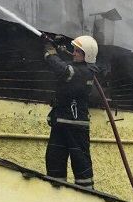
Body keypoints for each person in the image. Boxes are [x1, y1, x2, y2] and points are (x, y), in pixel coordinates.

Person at [42, 34, 100, 190]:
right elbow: (61, 65)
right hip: (60, 123)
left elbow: (62, 69)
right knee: (54, 162)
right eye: (73, 50)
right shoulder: (78, 67)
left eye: (77, 52)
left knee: (81, 164)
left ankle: (88, 196)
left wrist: (50, 50)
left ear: (87, 55)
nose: (73, 53)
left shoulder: (85, 72)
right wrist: (58, 50)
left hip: (76, 127)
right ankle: (57, 196)